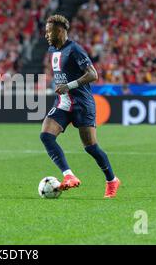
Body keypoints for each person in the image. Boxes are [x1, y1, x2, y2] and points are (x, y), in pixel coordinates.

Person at [40, 14, 120, 198]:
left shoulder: (75, 49)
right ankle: (69, 175)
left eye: (49, 31)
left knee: (91, 147)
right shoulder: (52, 49)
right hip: (63, 103)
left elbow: (93, 75)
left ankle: (111, 180)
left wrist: (69, 86)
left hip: (82, 104)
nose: (46, 35)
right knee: (46, 136)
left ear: (60, 31)